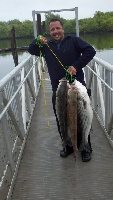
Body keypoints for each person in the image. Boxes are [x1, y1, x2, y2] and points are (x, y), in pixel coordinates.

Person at [28, 18, 96, 162]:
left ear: (62, 29)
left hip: (77, 88)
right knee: (62, 119)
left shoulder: (74, 40)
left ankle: (85, 147)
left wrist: (76, 66)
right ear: (49, 32)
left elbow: (91, 51)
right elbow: (31, 50)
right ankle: (68, 145)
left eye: (57, 28)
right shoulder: (46, 46)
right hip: (58, 90)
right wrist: (37, 40)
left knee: (81, 117)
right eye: (52, 29)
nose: (55, 32)